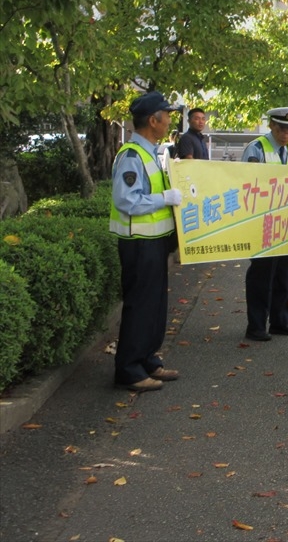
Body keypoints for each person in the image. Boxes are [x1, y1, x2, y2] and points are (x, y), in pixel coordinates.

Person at [109, 91, 184, 392]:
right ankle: (128, 369)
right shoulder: (131, 155)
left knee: (154, 305)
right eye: (166, 115)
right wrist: (164, 198)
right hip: (138, 242)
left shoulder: (152, 152)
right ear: (153, 121)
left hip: (154, 241)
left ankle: (147, 360)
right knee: (140, 306)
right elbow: (127, 200)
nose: (169, 120)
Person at [242, 106, 288, 342]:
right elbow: (246, 182)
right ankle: (256, 325)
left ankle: (280, 321)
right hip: (262, 222)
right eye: (283, 130)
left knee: (284, 274)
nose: (287, 135)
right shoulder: (256, 148)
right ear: (271, 125)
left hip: (285, 221)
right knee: (262, 275)